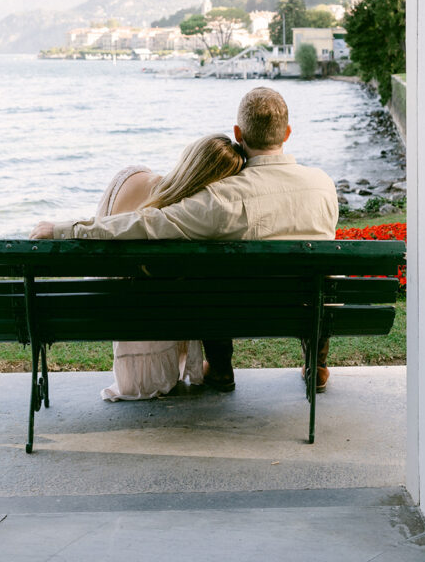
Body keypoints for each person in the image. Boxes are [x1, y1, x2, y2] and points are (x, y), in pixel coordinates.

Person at [31, 87, 338, 391]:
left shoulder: (222, 197)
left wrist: (65, 229)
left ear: (238, 133)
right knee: (316, 278)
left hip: (239, 309)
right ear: (287, 133)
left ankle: (220, 368)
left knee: (212, 281)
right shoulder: (323, 185)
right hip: (305, 306)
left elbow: (145, 224)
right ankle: (317, 364)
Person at [96, 134, 245, 401]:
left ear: (190, 159)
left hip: (104, 303)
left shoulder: (132, 175)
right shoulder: (185, 218)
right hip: (152, 314)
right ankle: (221, 366)